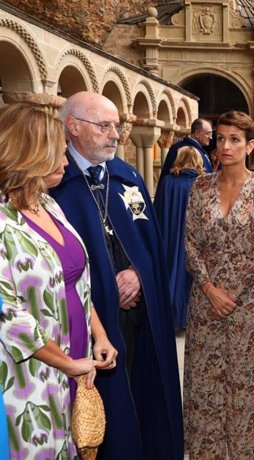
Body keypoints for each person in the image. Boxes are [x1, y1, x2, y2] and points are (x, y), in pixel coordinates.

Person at [50, 92, 184, 460]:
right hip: (93, 321)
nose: (115, 135)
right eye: (104, 125)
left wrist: (140, 276)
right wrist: (109, 286)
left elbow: (150, 241)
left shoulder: (128, 177)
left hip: (140, 313)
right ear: (73, 127)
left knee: (145, 389)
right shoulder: (55, 185)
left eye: (117, 126)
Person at [0, 102, 116, 459]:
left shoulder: (49, 205)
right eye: (58, 153)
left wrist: (100, 334)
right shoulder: (3, 224)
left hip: (75, 354)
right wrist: (67, 364)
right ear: (29, 156)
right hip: (32, 372)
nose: (66, 161)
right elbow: (8, 316)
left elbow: (77, 278)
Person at [184, 110, 254, 458]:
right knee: (205, 386)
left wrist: (231, 294)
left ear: (249, 145)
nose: (225, 145)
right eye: (221, 138)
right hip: (204, 302)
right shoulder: (200, 185)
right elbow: (190, 242)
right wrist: (210, 289)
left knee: (247, 385)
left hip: (248, 306)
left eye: (235, 139)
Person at [154, 146, 205, 329]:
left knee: (171, 272)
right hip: (194, 237)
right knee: (191, 276)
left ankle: (170, 316)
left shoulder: (168, 182)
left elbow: (158, 210)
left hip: (170, 233)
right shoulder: (202, 183)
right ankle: (189, 317)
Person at [157, 118, 214, 187]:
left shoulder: (198, 150)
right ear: (197, 133)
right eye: (208, 134)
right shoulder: (182, 149)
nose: (211, 137)